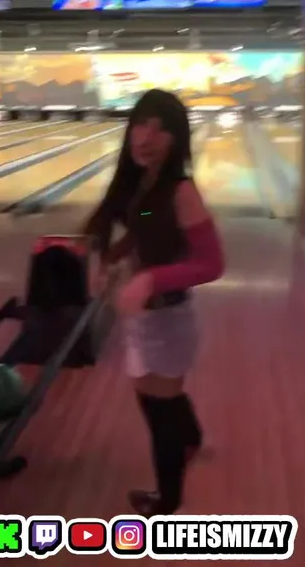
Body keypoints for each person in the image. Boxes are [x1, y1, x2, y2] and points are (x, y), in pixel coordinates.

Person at [84, 88, 225, 516]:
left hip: (169, 318)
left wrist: (150, 279)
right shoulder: (146, 182)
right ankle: (192, 438)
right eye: (141, 124)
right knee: (156, 395)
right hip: (145, 317)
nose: (147, 137)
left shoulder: (181, 190)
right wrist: (111, 257)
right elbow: (143, 226)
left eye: (161, 129)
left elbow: (213, 263)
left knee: (158, 409)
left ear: (177, 139)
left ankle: (167, 502)